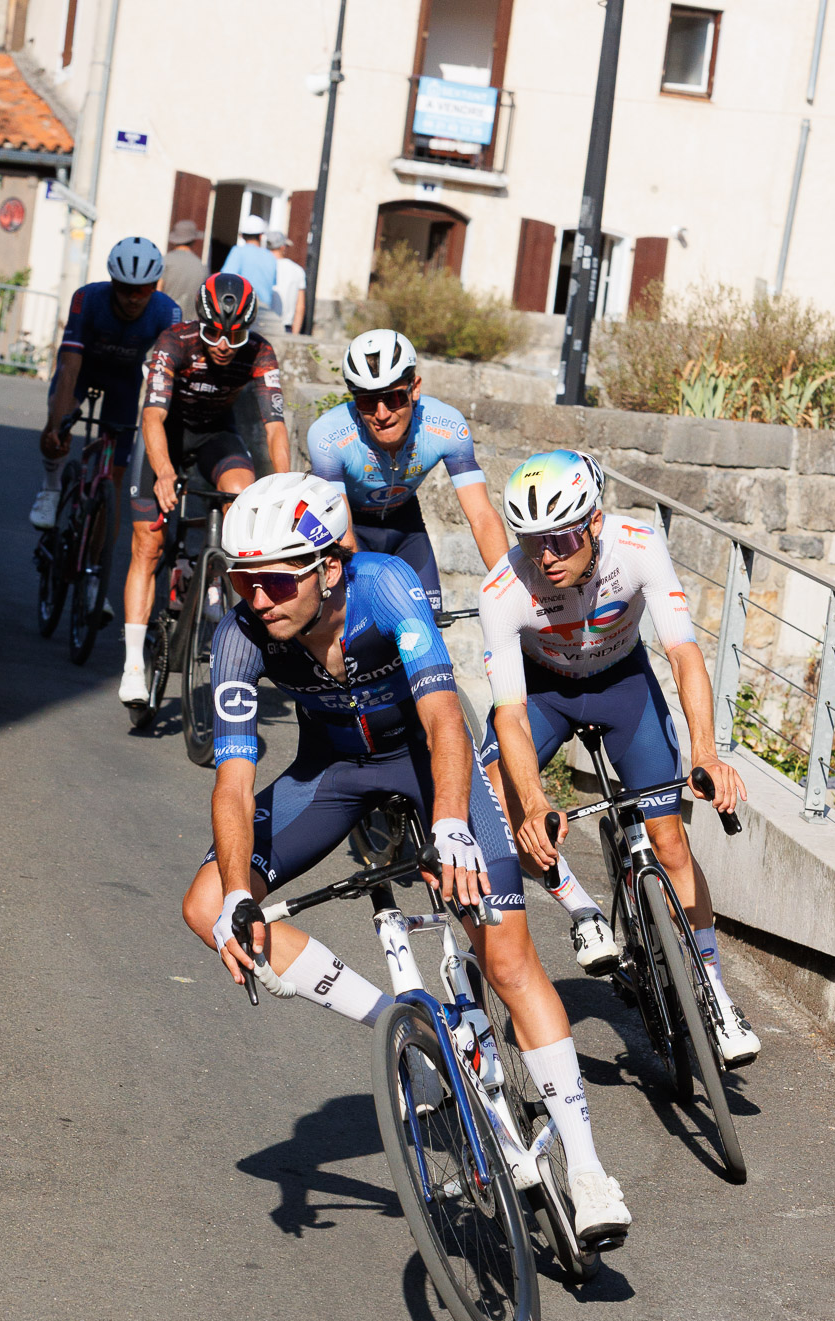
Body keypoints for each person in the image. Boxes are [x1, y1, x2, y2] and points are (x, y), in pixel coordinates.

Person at [181, 471, 632, 1248]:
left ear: (327, 567)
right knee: (204, 905)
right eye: (242, 582)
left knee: (509, 957)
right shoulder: (239, 634)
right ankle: (401, 1031)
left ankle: (588, 1169)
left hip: (426, 765)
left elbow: (443, 719)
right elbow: (234, 782)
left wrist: (453, 824)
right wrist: (234, 896)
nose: (255, 599)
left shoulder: (386, 587)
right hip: (329, 775)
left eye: (274, 581)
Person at [478, 449, 760, 1067]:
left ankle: (713, 990)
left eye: (560, 538)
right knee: (496, 800)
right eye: (531, 541)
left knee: (670, 841)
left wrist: (708, 752)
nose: (544, 555)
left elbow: (683, 653)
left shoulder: (638, 544)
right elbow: (510, 714)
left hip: (621, 685)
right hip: (544, 693)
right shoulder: (504, 589)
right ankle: (581, 908)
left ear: (594, 523)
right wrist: (535, 800)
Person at [118, 272, 291, 707]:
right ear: (201, 323)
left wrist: (287, 484)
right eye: (214, 332)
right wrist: (162, 472)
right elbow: (153, 417)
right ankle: (134, 665)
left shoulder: (259, 352)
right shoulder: (174, 342)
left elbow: (274, 428)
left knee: (243, 493)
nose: (222, 345)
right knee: (148, 544)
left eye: (234, 337)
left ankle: (214, 590)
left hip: (216, 433)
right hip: (168, 434)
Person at [306, 328, 507, 612]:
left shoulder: (446, 427)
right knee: (361, 626)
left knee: (428, 622)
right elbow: (345, 534)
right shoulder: (329, 436)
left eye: (394, 398)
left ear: (415, 389)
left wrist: (511, 588)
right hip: (350, 526)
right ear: (353, 400)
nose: (382, 414)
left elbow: (482, 516)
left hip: (406, 527)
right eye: (366, 401)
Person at [30, 237, 178, 555]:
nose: (134, 298)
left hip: (123, 381)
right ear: (113, 282)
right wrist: (57, 424)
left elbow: (171, 372)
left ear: (156, 285)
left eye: (144, 289)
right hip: (83, 370)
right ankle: (51, 487)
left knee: (113, 480)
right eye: (126, 289)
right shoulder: (88, 299)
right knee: (56, 426)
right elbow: (69, 367)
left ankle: (95, 571)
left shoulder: (168, 311)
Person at [221, 214, 281, 336]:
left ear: (242, 235)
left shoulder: (238, 251)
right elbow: (273, 284)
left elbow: (225, 280)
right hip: (265, 313)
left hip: (242, 310)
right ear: (261, 236)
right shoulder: (270, 257)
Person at [158, 219, 207, 321]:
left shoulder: (165, 261)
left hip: (167, 322)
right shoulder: (201, 267)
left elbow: (157, 292)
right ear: (193, 240)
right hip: (190, 326)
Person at [267, 231, 305, 335]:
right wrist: (295, 334)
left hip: (263, 322)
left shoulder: (261, 267)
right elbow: (300, 306)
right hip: (285, 326)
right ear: (283, 247)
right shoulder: (297, 270)